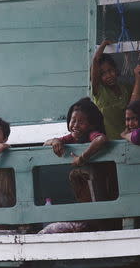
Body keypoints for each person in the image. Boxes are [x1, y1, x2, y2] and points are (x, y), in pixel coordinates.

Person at [40, 98, 110, 234]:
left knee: (81, 173)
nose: (75, 125)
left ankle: (99, 221)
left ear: (91, 125)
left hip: (102, 186)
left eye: (81, 122)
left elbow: (101, 139)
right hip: (86, 194)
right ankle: (89, 218)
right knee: (76, 175)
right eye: (73, 120)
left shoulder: (90, 135)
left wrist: (82, 158)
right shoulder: (72, 137)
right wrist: (55, 141)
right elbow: (45, 144)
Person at [91, 40, 137, 140]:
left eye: (110, 70)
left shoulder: (126, 88)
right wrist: (102, 46)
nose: (108, 76)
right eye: (103, 74)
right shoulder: (99, 92)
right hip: (109, 144)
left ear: (116, 70)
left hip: (129, 140)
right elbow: (95, 61)